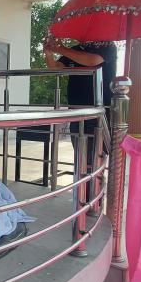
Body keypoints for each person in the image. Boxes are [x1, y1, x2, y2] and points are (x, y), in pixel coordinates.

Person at [45, 40, 117, 197]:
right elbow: (55, 68)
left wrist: (62, 49)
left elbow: (93, 61)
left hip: (99, 113)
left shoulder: (108, 46)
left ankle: (94, 198)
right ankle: (83, 196)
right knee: (81, 156)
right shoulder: (75, 50)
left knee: (96, 156)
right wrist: (49, 53)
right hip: (77, 112)